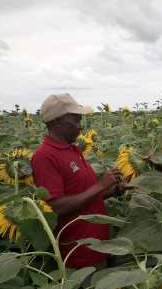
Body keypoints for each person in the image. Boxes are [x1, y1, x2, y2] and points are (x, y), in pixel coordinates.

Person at [31, 93, 123, 269]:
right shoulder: (45, 156)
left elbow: (84, 195)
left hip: (99, 246)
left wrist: (116, 189)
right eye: (75, 120)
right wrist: (100, 185)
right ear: (58, 122)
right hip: (79, 254)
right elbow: (56, 207)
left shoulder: (72, 149)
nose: (80, 127)